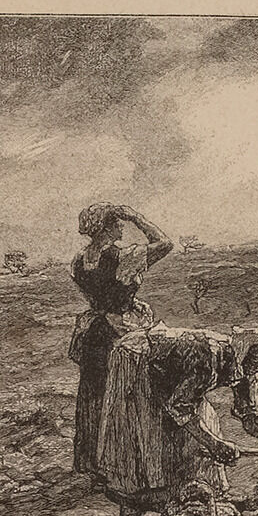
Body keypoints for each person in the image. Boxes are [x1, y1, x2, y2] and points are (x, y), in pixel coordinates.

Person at [95, 324, 258, 516]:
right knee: (144, 436)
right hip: (138, 360)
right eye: (254, 364)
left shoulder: (249, 373)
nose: (256, 370)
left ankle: (199, 505)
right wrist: (214, 444)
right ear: (243, 354)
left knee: (202, 431)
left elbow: (250, 416)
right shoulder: (208, 357)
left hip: (177, 382)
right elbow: (180, 406)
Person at [68, 203, 174, 480]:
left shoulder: (79, 260)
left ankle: (92, 465)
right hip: (121, 334)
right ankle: (123, 466)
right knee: (126, 395)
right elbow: (165, 243)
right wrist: (137, 217)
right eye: (118, 222)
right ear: (105, 228)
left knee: (95, 395)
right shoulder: (122, 257)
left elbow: (97, 299)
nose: (122, 226)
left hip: (94, 334)